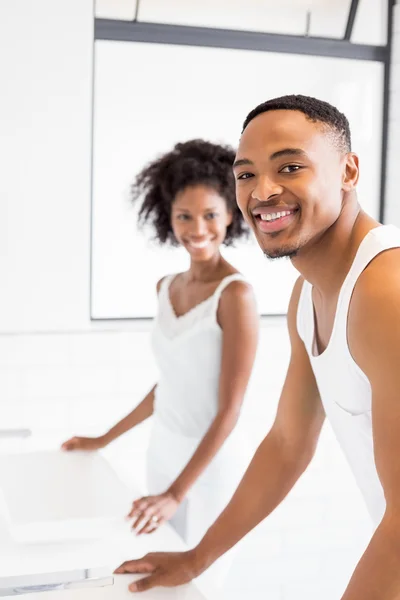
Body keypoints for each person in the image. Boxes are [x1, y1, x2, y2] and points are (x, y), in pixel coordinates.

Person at [115, 95, 400, 599]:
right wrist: (197, 558)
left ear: (349, 171)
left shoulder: (386, 292)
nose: (262, 192)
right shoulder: (308, 295)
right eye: (246, 174)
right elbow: (288, 442)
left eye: (290, 166)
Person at [62, 139, 259, 576]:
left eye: (210, 214)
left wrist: (176, 492)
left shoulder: (236, 295)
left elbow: (230, 410)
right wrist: (102, 439)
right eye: (184, 216)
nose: (198, 228)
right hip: (163, 452)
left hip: (211, 466)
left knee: (204, 582)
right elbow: (168, 384)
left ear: (231, 214)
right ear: (168, 218)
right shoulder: (165, 286)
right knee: (156, 573)